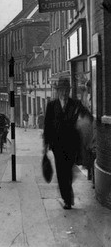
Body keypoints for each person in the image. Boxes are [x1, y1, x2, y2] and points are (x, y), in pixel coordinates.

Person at [43, 78, 91, 210]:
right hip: (57, 145)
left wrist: (82, 122)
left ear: (69, 90)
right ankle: (67, 199)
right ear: (58, 91)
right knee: (61, 172)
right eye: (61, 90)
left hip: (71, 144)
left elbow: (87, 115)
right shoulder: (52, 106)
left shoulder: (75, 104)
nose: (64, 93)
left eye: (66, 90)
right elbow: (47, 125)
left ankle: (67, 191)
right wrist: (46, 144)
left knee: (68, 171)